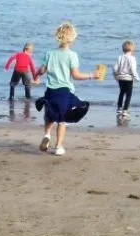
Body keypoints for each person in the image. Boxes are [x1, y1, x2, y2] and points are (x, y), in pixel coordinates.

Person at [35, 21, 99, 156]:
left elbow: (42, 70)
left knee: (50, 116)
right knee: (62, 120)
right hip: (64, 92)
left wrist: (37, 74)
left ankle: (47, 135)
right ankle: (58, 146)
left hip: (51, 92)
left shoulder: (50, 53)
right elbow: (76, 75)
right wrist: (91, 75)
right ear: (72, 39)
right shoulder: (72, 55)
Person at [113, 40, 140, 119]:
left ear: (123, 49)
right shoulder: (132, 58)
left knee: (121, 92)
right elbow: (133, 69)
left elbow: (115, 68)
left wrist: (115, 75)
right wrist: (137, 77)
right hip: (128, 78)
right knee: (128, 94)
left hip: (120, 78)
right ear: (132, 49)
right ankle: (125, 110)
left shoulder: (120, 57)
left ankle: (119, 108)